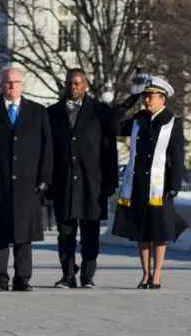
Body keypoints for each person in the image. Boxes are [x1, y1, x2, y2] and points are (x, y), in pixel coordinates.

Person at [0, 67, 53, 292]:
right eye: (8, 82)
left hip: (28, 185)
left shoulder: (37, 112)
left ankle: (22, 278)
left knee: (24, 235)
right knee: (0, 234)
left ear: (22, 85)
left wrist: (44, 179)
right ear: (1, 85)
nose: (12, 86)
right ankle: (0, 279)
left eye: (16, 82)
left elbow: (47, 149)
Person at [111, 76, 187, 290]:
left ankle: (157, 274)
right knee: (141, 230)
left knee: (158, 231)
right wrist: (127, 103)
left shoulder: (172, 122)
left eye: (150, 96)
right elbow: (114, 126)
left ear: (162, 99)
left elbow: (177, 154)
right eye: (145, 96)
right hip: (138, 183)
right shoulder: (137, 119)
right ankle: (145, 274)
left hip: (159, 184)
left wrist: (174, 184)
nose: (146, 100)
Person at [46, 68, 118, 289]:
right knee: (65, 232)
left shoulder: (100, 111)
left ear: (85, 85)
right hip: (64, 182)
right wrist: (47, 181)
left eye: (77, 83)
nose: (73, 87)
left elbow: (109, 150)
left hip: (91, 183)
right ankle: (67, 274)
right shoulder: (53, 113)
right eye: (70, 83)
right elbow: (48, 150)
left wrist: (110, 181)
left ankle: (88, 274)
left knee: (90, 231)